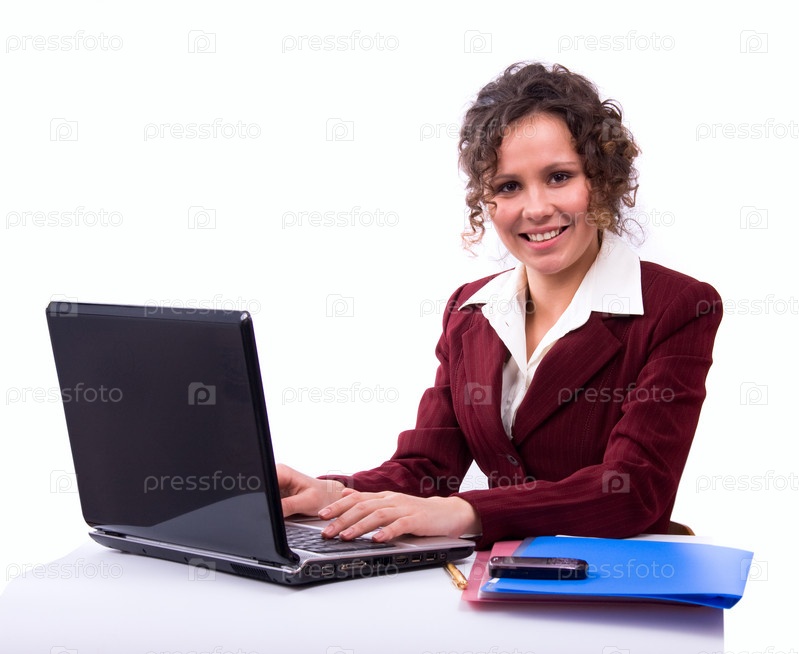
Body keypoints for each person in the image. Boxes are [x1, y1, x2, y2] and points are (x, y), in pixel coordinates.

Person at [278, 62, 723, 550]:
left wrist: (468, 512)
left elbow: (636, 488)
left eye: (559, 177)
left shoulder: (676, 306)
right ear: (486, 202)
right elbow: (427, 469)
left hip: (613, 578)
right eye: (508, 186)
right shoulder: (469, 311)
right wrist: (335, 494)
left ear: (601, 180)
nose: (536, 209)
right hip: (497, 577)